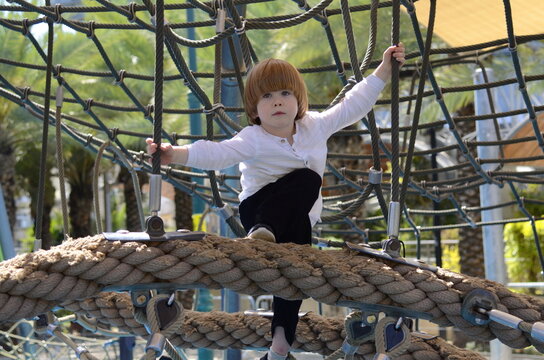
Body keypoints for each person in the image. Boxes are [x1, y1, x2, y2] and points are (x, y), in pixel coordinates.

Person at [147, 43, 405, 360]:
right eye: (266, 97)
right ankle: (262, 233)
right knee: (309, 178)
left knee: (296, 271)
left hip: (297, 218)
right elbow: (218, 153)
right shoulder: (253, 138)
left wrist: (383, 71)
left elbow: (354, 105)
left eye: (284, 93)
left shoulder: (316, 126)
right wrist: (175, 155)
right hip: (257, 210)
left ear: (298, 101)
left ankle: (280, 344)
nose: (277, 102)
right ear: (255, 110)